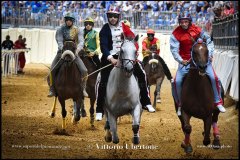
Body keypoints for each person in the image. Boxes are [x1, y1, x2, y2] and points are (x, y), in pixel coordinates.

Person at [95, 8, 156, 121]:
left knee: (142, 74)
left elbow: (133, 41)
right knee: (102, 80)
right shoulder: (104, 29)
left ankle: (146, 102)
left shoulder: (124, 27)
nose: (112, 18)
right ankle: (99, 109)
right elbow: (103, 46)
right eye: (110, 16)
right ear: (108, 17)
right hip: (111, 57)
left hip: (126, 56)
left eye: (115, 16)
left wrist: (134, 53)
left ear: (118, 17)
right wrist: (110, 58)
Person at [170, 11, 226, 115]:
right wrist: (181, 60)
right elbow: (174, 50)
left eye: (186, 21)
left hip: (202, 59)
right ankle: (180, 104)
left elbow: (208, 41)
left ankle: (218, 101)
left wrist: (209, 54)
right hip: (185, 62)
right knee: (176, 82)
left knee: (215, 78)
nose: (183, 24)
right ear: (179, 22)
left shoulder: (197, 30)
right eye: (181, 22)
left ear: (189, 21)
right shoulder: (175, 34)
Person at [47, 12, 88, 97]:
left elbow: (81, 42)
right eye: (67, 20)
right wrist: (63, 50)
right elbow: (59, 41)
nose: (68, 21)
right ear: (65, 20)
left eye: (70, 20)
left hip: (74, 53)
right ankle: (52, 88)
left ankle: (83, 88)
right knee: (52, 69)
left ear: (73, 21)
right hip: (62, 53)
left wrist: (78, 50)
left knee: (84, 70)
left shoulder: (78, 30)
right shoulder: (60, 29)